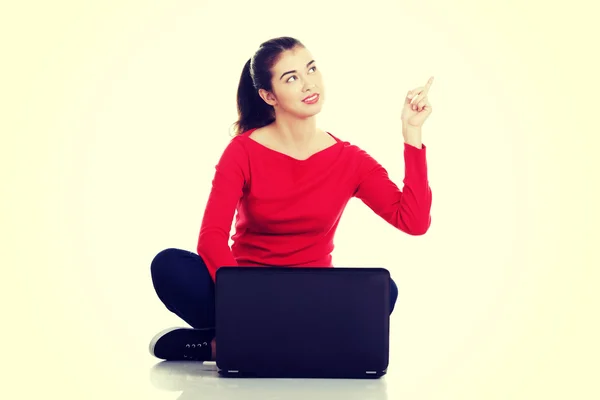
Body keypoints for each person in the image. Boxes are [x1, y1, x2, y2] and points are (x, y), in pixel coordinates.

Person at [149, 36, 434, 362]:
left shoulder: (350, 160)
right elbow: (211, 239)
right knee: (170, 265)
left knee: (384, 293)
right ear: (269, 96)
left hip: (311, 296)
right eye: (292, 78)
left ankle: (225, 344)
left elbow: (413, 222)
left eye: (311, 69)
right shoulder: (242, 151)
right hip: (244, 292)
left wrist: (412, 134)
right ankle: (287, 342)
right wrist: (244, 298)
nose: (309, 84)